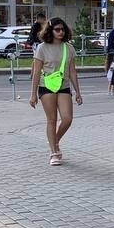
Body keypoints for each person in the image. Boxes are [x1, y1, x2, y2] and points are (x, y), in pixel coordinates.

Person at [29, 16, 82, 166]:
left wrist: (78, 92)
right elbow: (36, 72)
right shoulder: (42, 48)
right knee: (52, 120)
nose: (60, 32)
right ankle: (54, 152)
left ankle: (55, 140)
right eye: (57, 30)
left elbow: (73, 71)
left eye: (62, 29)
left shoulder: (68, 48)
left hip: (64, 86)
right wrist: (33, 95)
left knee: (67, 118)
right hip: (46, 86)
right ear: (50, 31)